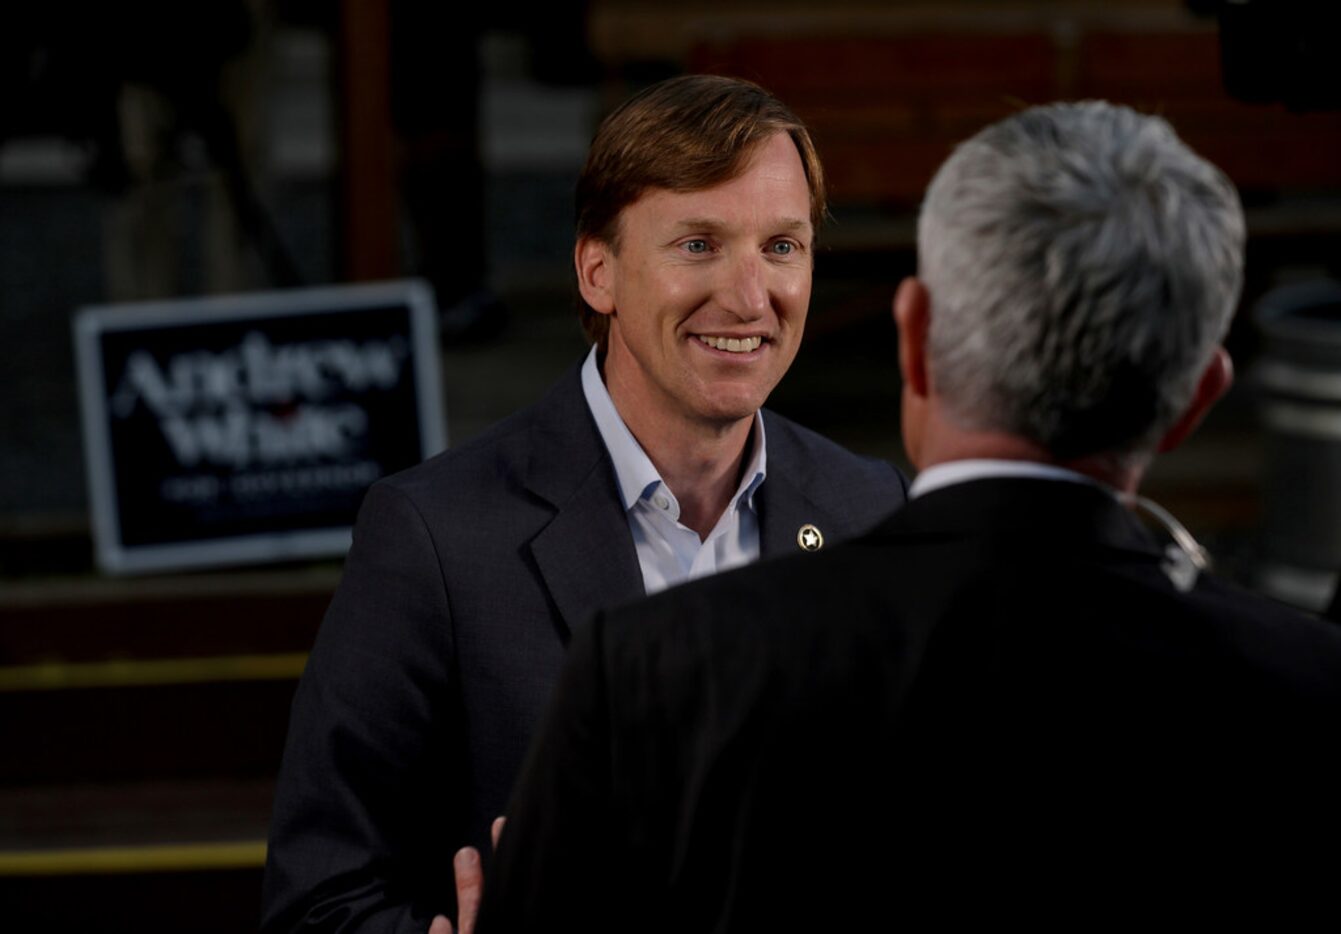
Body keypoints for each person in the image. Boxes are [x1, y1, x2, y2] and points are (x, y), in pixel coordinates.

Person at [477, 101, 1341, 931]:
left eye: (781, 245)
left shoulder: (655, 672)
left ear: (913, 339)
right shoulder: (1308, 687)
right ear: (1196, 400)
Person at [261, 75, 908, 931]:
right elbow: (317, 903)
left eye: (781, 247)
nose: (751, 298)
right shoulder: (435, 538)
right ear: (596, 271)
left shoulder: (870, 510)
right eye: (698, 245)